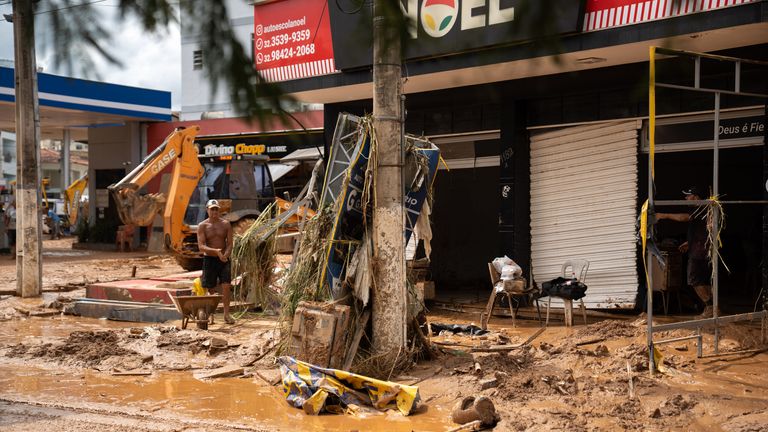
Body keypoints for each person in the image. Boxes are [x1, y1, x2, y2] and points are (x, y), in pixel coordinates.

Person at [656, 186, 715, 317]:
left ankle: (710, 306)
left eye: (688, 195)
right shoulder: (704, 209)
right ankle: (711, 307)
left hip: (699, 252)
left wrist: (664, 215)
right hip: (700, 249)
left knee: (694, 280)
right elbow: (703, 231)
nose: (686, 198)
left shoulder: (701, 207)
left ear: (696, 197)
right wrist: (689, 242)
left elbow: (685, 218)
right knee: (703, 280)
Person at [197, 199, 235, 325]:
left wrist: (225, 254)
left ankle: (226, 314)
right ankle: (211, 314)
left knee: (226, 286)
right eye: (212, 209)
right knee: (210, 288)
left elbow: (229, 243)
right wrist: (215, 252)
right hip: (210, 259)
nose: (214, 211)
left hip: (223, 259)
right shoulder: (203, 226)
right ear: (207, 210)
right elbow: (201, 246)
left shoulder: (226, 224)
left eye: (216, 209)